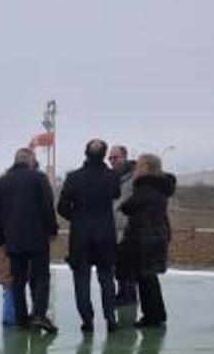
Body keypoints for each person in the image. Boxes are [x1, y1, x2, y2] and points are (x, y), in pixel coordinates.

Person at [0, 147, 59, 333]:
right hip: (37, 237)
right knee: (41, 277)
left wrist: (0, 238)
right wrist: (52, 229)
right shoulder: (38, 178)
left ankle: (21, 318)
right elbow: (47, 207)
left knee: (18, 279)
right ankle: (39, 314)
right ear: (30, 160)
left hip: (13, 239)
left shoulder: (2, 182)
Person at [58, 139, 121, 333]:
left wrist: (76, 218)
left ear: (86, 153)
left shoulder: (74, 178)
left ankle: (87, 320)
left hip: (81, 236)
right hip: (105, 234)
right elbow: (115, 194)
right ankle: (110, 318)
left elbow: (61, 207)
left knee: (81, 281)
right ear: (103, 156)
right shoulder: (111, 177)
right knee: (107, 279)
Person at [118, 153, 176, 327]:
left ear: (146, 168)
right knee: (149, 278)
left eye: (138, 166)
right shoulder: (161, 187)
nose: (135, 169)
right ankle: (155, 314)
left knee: (146, 278)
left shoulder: (146, 187)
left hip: (145, 237)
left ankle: (152, 315)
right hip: (155, 234)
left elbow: (128, 206)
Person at [108, 145, 139, 306]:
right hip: (113, 229)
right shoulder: (110, 177)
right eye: (110, 158)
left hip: (129, 228)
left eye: (116, 157)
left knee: (129, 265)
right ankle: (122, 294)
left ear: (124, 156)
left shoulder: (135, 177)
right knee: (118, 266)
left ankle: (130, 296)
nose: (112, 161)